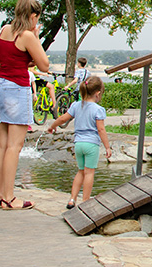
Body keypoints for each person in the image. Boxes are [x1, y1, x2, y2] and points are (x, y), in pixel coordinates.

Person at [0, 0, 49, 211]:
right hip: (17, 87)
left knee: (3, 145)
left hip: (1, 86)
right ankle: (10, 198)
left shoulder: (5, 30)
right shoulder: (27, 36)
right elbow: (44, 64)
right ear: (33, 16)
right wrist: (36, 37)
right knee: (15, 146)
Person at [47, 76, 112, 210]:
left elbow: (64, 118)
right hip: (91, 144)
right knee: (89, 173)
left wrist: (52, 126)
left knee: (80, 172)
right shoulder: (98, 109)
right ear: (98, 93)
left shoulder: (76, 105)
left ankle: (72, 199)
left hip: (78, 144)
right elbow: (101, 129)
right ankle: (86, 201)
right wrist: (107, 147)